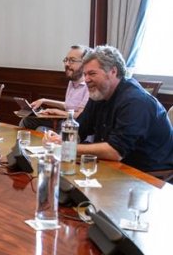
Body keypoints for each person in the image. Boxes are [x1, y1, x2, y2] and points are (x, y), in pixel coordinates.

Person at [45, 46, 173, 172]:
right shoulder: (98, 94)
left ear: (113, 71)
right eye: (85, 74)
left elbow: (115, 151)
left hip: (148, 175)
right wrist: (61, 139)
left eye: (92, 73)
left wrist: (68, 147)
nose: (87, 79)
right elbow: (80, 130)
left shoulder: (135, 101)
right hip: (115, 166)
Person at [20, 45, 90, 130]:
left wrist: (57, 112)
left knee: (41, 130)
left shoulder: (89, 85)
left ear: (85, 63)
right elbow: (68, 106)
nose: (67, 64)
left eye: (72, 60)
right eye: (66, 60)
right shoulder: (72, 82)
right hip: (62, 121)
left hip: (74, 128)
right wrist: (44, 100)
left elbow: (81, 115)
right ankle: (20, 142)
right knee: (26, 120)